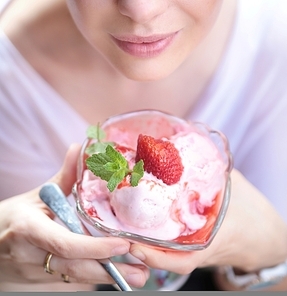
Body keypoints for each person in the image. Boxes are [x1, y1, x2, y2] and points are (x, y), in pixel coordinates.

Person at [0, 0, 287, 292]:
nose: (141, 10)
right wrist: (11, 275)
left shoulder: (273, 39)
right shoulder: (9, 82)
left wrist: (270, 254)